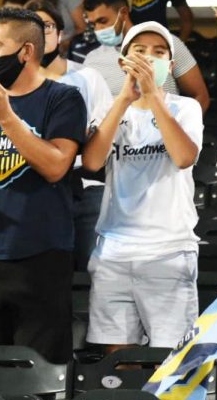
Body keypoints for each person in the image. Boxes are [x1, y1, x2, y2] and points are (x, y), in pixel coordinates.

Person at [0, 8, 86, 363]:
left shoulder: (63, 99)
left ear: (25, 51)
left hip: (43, 255)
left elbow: (57, 166)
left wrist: (6, 117)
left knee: (39, 375)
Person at [82, 21, 202, 351]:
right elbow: (91, 162)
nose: (150, 58)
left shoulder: (186, 108)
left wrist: (154, 97)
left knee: (171, 358)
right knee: (118, 360)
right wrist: (123, 100)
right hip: (114, 250)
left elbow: (182, 157)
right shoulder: (109, 110)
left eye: (159, 53)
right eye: (140, 51)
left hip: (169, 249)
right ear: (123, 63)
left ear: (171, 66)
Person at [28, 0, 113, 271]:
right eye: (32, 28)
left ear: (61, 33)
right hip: (35, 187)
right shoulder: (16, 86)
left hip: (86, 187)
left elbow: (102, 136)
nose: (41, 33)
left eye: (47, 26)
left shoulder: (89, 77)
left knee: (93, 276)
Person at [75, 0, 210, 112]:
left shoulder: (167, 44)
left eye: (103, 21)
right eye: (93, 24)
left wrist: (183, 130)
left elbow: (201, 97)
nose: (98, 29)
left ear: (124, 13)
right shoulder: (92, 60)